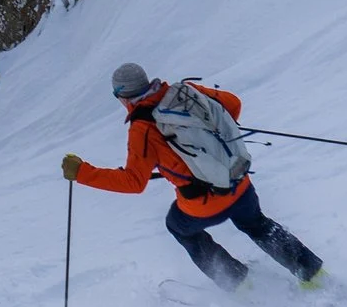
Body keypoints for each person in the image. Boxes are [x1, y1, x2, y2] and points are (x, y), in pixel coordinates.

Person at [62, 62, 329, 292]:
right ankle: (313, 275)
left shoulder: (142, 128)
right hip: (238, 181)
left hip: (205, 202)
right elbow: (232, 105)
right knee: (257, 224)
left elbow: (133, 182)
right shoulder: (184, 92)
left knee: (178, 226)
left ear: (122, 97)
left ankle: (241, 285)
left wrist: (82, 172)